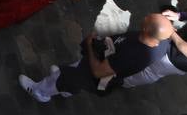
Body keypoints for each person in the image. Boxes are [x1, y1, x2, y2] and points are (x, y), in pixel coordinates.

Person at [19, 13, 175, 101]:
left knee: (65, 77)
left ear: (146, 29)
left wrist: (89, 46)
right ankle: (66, 89)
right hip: (104, 58)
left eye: (147, 19)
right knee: (73, 74)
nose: (145, 16)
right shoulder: (161, 42)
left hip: (95, 72)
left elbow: (99, 72)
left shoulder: (134, 55)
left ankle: (40, 91)